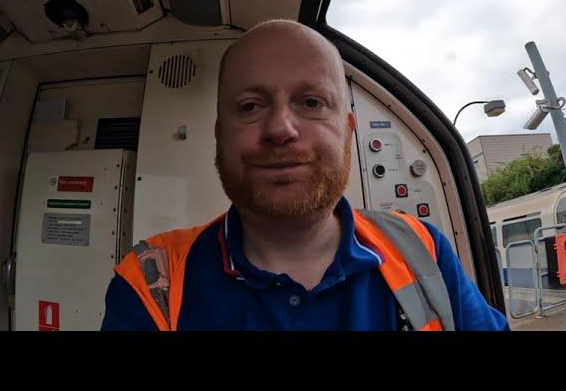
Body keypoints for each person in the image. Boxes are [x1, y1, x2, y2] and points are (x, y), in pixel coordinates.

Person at [101, 19, 510, 331]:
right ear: (219, 134)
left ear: (348, 132)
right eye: (249, 106)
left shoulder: (423, 249)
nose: (280, 129)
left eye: (311, 102)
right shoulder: (151, 280)